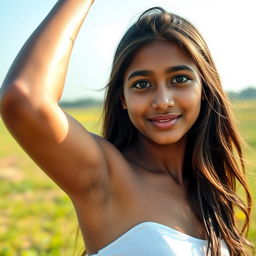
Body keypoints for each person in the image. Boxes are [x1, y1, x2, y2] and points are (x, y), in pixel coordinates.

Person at [0, 0, 254, 255]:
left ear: (204, 89)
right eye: (142, 84)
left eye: (180, 79)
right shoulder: (105, 177)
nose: (163, 101)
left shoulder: (210, 186)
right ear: (123, 98)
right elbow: (25, 98)